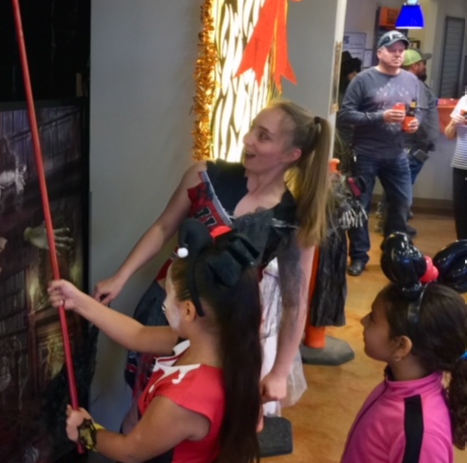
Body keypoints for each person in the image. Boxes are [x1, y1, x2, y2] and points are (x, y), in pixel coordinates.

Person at [94, 99, 332, 416]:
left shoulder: (293, 220)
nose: (247, 139)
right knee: (145, 403)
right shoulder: (204, 175)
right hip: (166, 310)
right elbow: (163, 227)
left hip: (221, 332)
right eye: (252, 129)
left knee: (196, 413)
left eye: (263, 136)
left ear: (291, 155)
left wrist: (279, 371)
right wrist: (120, 277)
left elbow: (295, 301)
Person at [49, 219, 262, 463]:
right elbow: (138, 334)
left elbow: (131, 450)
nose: (164, 300)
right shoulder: (214, 344)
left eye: (168, 294)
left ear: (188, 311)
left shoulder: (183, 399)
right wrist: (79, 301)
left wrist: (87, 432)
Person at [334, 233, 467, 463]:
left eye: (373, 319)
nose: (363, 321)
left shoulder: (419, 431)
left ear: (401, 346)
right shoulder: (398, 386)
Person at [338, 30, 421, 277]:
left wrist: (415, 122)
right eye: (392, 50)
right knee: (360, 207)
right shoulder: (363, 80)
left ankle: (394, 250)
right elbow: (345, 115)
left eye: (401, 50)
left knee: (403, 203)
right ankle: (359, 256)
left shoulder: (411, 80)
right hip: (365, 153)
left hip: (397, 153)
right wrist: (380, 116)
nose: (397, 54)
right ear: (380, 53)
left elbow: (416, 109)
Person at [376, 48, 440, 237]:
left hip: (408, 144)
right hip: (413, 145)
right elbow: (418, 116)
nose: (424, 66)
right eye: (422, 63)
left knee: (398, 186)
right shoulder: (416, 85)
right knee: (402, 189)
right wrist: (423, 143)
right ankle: (396, 227)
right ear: (414, 66)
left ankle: (390, 222)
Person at [334, 51, 363, 174]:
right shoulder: (340, 96)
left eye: (356, 71)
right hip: (341, 141)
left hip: (350, 141)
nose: (356, 75)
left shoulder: (352, 92)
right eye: (352, 72)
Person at [444, 94, 467, 238]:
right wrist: (453, 124)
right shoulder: (465, 100)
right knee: (461, 210)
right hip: (461, 164)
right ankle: (463, 246)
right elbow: (449, 135)